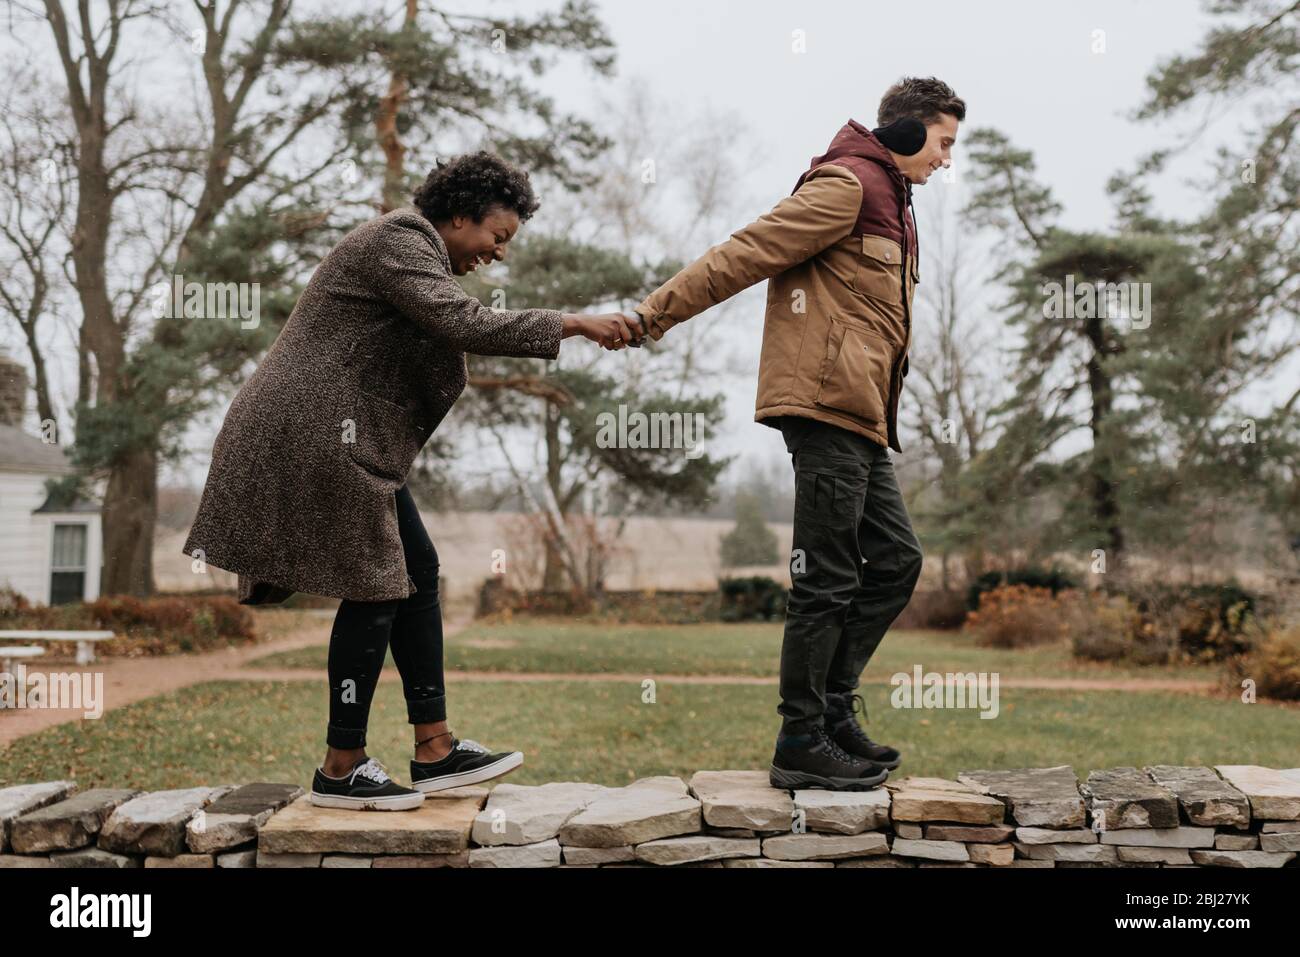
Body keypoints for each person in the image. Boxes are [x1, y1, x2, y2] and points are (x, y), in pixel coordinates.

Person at [182, 151, 637, 810]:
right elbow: (464, 323)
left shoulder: (411, 249)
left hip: (339, 432)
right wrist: (574, 321)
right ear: (458, 216)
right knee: (377, 581)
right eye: (496, 236)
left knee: (415, 568)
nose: (498, 253)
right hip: (312, 430)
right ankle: (342, 765)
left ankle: (435, 747)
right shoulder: (399, 238)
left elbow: (443, 327)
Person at [626, 77, 966, 791]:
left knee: (897, 561)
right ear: (906, 134)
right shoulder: (847, 186)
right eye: (942, 143)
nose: (944, 160)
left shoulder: (897, 204)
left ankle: (832, 712)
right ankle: (801, 737)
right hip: (823, 405)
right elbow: (744, 253)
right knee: (828, 577)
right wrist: (652, 315)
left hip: (862, 415)